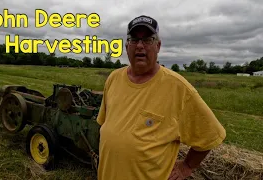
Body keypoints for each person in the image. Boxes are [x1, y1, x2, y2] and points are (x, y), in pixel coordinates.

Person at [96, 15, 226, 180]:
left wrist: (186, 166)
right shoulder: (113, 78)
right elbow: (106, 125)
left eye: (148, 40)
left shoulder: (179, 88)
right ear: (126, 45)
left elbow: (209, 135)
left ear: (158, 46)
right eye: (134, 39)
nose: (140, 46)